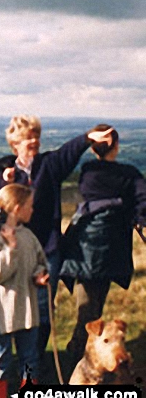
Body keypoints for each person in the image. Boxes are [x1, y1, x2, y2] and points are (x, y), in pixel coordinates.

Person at [0, 116, 113, 361]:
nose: (33, 141)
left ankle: (36, 359)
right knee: (8, 305)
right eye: (26, 138)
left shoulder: (48, 165)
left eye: (36, 137)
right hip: (11, 248)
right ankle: (4, 362)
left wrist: (88, 138)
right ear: (14, 143)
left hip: (46, 249)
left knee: (42, 308)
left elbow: (68, 152)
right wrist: (4, 184)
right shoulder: (2, 169)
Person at [60, 124, 146, 366]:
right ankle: (79, 355)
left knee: (87, 305)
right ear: (116, 147)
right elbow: (143, 201)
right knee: (92, 308)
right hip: (111, 249)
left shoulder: (88, 171)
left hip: (82, 245)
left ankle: (83, 354)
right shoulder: (128, 174)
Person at [0, 184, 49, 398]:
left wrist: (40, 274)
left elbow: (40, 261)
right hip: (3, 313)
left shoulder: (29, 236)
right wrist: (10, 249)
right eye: (30, 206)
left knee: (29, 362)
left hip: (28, 311)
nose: (33, 210)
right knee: (0, 360)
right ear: (18, 208)